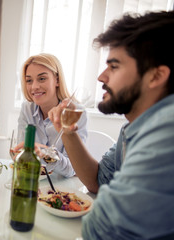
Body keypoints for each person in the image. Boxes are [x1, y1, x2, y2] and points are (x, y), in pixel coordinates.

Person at [48, 11, 174, 239]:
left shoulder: (167, 128)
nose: (101, 77)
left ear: (156, 76)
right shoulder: (134, 127)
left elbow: (106, 229)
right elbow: (99, 180)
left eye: (114, 67)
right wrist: (67, 131)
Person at [14, 53, 87, 177]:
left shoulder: (75, 112)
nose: (34, 87)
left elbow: (73, 169)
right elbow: (22, 155)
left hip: (63, 186)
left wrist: (47, 155)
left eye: (42, 79)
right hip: (34, 181)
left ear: (57, 80)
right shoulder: (27, 108)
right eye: (29, 80)